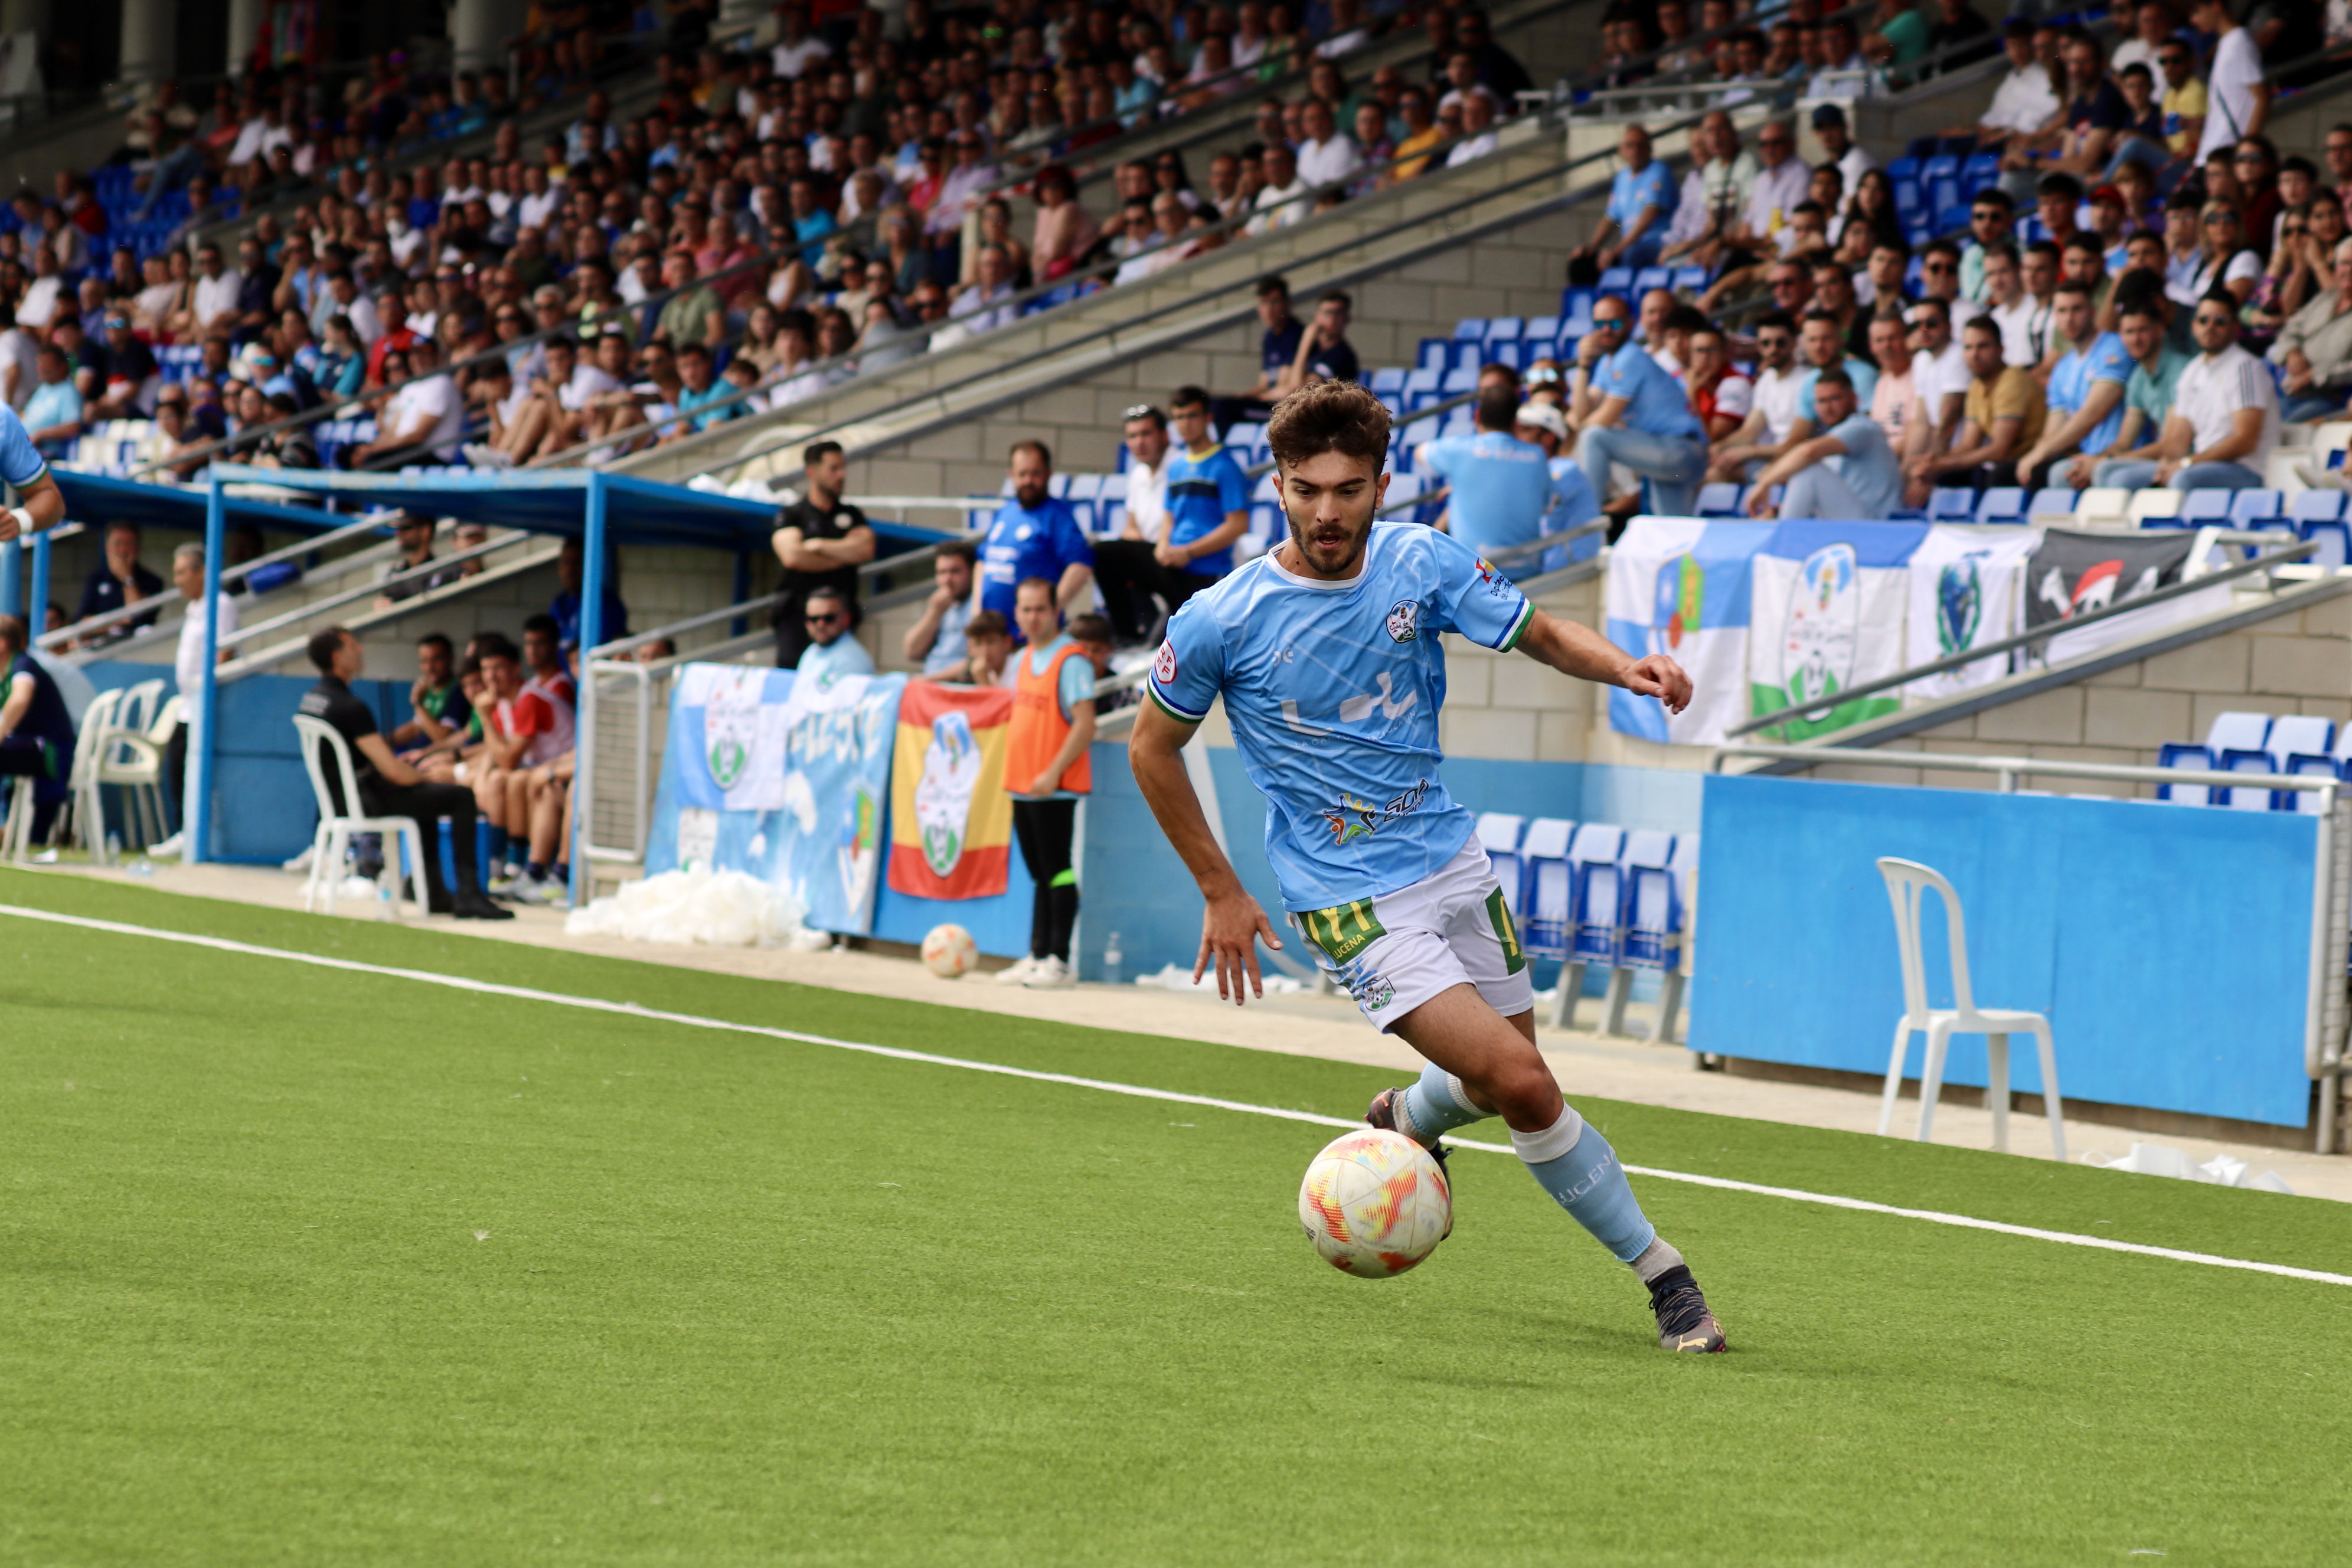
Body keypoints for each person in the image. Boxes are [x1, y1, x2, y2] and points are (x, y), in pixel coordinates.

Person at [1127, 380, 1723, 1354]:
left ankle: (1405, 1113)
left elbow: (1537, 632)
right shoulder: (1219, 618)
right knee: (1525, 1081)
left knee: (1494, 1086)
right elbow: (1149, 748)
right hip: (1348, 897)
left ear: (1380, 485)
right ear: (1276, 486)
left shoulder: (1421, 561)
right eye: (1307, 489)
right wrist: (1219, 888)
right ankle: (1668, 1281)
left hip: (1450, 860)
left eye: (1349, 489)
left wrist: (1624, 667)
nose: (1327, 511)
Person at [297, 626, 510, 920]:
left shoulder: (312, 698)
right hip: (365, 800)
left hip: (337, 800)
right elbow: (394, 771)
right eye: (352, 646)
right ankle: (469, 893)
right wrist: (428, 776)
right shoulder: (350, 706)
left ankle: (434, 891)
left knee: (425, 799)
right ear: (337, 657)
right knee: (459, 796)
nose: (360, 650)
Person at [994, 575, 1099, 991]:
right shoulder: (1021, 659)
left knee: (1057, 870)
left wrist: (1053, 771)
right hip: (1023, 784)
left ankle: (1058, 957)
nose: (1033, 617)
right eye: (1026, 609)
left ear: (1055, 610)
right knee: (1039, 872)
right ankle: (1037, 953)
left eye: (1040, 608)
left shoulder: (1069, 660)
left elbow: (1085, 723)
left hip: (1053, 786)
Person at [1093, 387, 1248, 646]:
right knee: (1105, 554)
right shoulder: (1177, 467)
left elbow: (1238, 525)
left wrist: (1188, 552)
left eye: (1192, 416)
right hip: (1174, 564)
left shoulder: (1225, 466)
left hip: (1205, 571)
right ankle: (1127, 637)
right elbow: (1169, 517)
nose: (1186, 424)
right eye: (1179, 417)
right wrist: (1163, 546)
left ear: (1208, 418)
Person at [2095, 289, 2279, 490]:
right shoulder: (2192, 370)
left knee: (2182, 479)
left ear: (2235, 326)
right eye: (2203, 320)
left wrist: (2186, 464)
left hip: (2244, 468)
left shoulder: (2245, 367)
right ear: (2193, 326)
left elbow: (2245, 442)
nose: (2210, 327)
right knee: (2108, 473)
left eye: (2220, 321)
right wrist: (2167, 465)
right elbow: (2177, 444)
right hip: (2201, 465)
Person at [1570, 296, 1710, 519]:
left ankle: (1586, 523)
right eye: (1600, 324)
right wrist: (1583, 366)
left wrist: (1579, 425)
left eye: (1615, 323)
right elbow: (1582, 413)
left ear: (1630, 323)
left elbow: (1600, 420)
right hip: (1670, 461)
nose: (1606, 330)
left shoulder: (1630, 357)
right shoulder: (1608, 363)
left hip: (1681, 452)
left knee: (1594, 437)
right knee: (1673, 531)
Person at [146, 542, 240, 856]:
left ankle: (192, 832)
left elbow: (226, 651)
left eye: (182, 572)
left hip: (204, 705)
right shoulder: (194, 608)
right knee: (177, 769)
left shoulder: (221, 604)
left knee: (189, 769)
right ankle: (183, 830)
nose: (177, 580)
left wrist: (209, 692)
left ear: (202, 572)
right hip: (188, 705)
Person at [1416, 383, 1570, 572]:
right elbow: (1547, 505)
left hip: (1475, 577)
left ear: (1477, 417)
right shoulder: (1538, 456)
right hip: (1526, 574)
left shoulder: (1460, 450)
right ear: (1516, 422)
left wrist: (1465, 482)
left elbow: (1419, 452)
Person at [2065, 287, 2190, 488]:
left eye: (2142, 330)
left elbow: (2171, 445)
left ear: (2159, 330)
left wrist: (2105, 462)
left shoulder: (2181, 370)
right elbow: (2124, 443)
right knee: (2064, 472)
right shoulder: (2137, 377)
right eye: (2129, 332)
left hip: (2185, 460)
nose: (2135, 339)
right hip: (2160, 459)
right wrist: (2093, 460)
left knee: (2110, 474)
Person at [2014, 282, 2132, 486]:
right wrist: (2036, 455)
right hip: (2086, 458)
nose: (2069, 319)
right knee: (2036, 471)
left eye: (2077, 309)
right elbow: (2054, 430)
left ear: (2093, 311)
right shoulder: (2062, 367)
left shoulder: (2115, 347)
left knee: (2057, 473)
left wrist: (2041, 452)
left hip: (2123, 455)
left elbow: (2094, 413)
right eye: (2062, 311)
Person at [771, 439, 876, 669]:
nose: (841, 475)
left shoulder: (852, 514)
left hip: (839, 620)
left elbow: (865, 549)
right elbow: (792, 557)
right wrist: (843, 554)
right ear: (812, 472)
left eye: (843, 468)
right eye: (833, 468)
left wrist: (817, 545)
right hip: (797, 618)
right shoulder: (793, 514)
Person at [1745, 369, 1903, 520]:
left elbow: (1808, 452)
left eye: (1835, 398)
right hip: (1854, 521)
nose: (1828, 407)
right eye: (1821, 401)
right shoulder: (1834, 437)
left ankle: (1786, 536)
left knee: (1809, 470)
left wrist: (1765, 483)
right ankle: (1783, 526)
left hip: (1877, 525)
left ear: (1853, 398)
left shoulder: (1862, 427)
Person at [1911, 316, 2047, 490]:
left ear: (2001, 349)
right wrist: (1935, 462)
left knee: (1992, 475)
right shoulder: (1976, 386)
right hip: (2008, 463)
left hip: (2035, 460)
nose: (1974, 355)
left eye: (1983, 346)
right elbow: (1969, 444)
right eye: (1968, 348)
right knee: (1947, 477)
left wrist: (1942, 465)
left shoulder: (2013, 380)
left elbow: (2000, 449)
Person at [975, 439, 1094, 635]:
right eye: (1022, 474)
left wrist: (1049, 613)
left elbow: (1081, 565)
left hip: (1027, 639)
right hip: (992, 637)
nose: (1028, 481)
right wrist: (977, 613)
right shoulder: (1006, 511)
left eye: (1035, 473)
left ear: (1049, 474)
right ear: (1011, 475)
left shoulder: (1057, 516)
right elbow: (982, 561)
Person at [0, 612, 76, 844]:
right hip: (29, 746)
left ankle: (10, 831)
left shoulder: (24, 666)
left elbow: (21, 699)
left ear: (3, 643)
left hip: (50, 750)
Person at [1510, 400, 1602, 572]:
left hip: (1574, 573)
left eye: (1525, 429)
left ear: (1548, 438)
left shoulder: (1566, 469)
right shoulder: (1541, 471)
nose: (1516, 437)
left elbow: (1529, 499)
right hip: (1552, 571)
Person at [2268, 238, 2352, 422]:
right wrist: (2292, 352)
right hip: (2289, 385)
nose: (2349, 270)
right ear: (2335, 267)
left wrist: (2315, 375)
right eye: (2345, 263)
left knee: (2283, 429)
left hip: (2329, 397)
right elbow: (2291, 328)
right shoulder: (2326, 298)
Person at [1575, 123, 1677, 276]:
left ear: (1650, 149)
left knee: (1631, 255)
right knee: (1581, 264)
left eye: (1641, 146)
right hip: (1630, 246)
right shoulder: (1622, 178)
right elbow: (1611, 218)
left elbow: (1649, 214)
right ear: (1621, 150)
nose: (1635, 151)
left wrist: (1618, 249)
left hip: (1657, 243)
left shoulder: (1659, 170)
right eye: (1630, 146)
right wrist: (1593, 246)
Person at [1210, 276, 1304, 430]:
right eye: (1263, 303)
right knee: (1215, 404)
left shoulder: (1295, 334)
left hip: (1284, 408)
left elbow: (1285, 387)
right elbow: (1264, 384)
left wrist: (1255, 399)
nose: (1269, 309)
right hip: (1267, 401)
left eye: (1274, 302)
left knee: (1224, 409)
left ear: (1287, 304)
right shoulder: (1269, 337)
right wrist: (1242, 397)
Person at [2192, 0, 2266, 165]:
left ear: (2216, 6)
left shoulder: (2239, 42)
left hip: (2226, 156)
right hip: (2213, 154)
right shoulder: (2227, 42)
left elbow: (2262, 96)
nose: (2194, 20)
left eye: (2197, 11)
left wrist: (2246, 151)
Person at [74, 520, 164, 646]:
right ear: (107, 547)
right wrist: (121, 621)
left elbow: (139, 618)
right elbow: (83, 623)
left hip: (137, 648)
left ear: (138, 547)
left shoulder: (152, 581)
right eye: (118, 543)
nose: (123, 550)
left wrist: (127, 578)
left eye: (129, 543)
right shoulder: (96, 579)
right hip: (100, 648)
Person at [904, 543, 979, 677]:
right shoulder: (939, 605)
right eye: (942, 572)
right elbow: (911, 652)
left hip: (956, 684)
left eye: (955, 571)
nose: (947, 580)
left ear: (971, 571)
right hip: (930, 680)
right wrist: (934, 612)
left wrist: (929, 681)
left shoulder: (978, 604)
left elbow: (976, 659)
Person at [389, 633, 473, 751]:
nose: (429, 667)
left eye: (437, 659)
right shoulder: (428, 689)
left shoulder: (458, 691)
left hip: (435, 760)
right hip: (413, 753)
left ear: (451, 658)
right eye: (424, 661)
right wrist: (384, 741)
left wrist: (418, 704)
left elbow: (442, 738)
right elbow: (415, 728)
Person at [548, 538, 629, 655]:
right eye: (566, 562)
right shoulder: (559, 602)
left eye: (577, 563)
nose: (570, 570)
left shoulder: (604, 603)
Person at [374, 512, 463, 607]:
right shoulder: (394, 573)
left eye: (406, 528)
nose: (399, 533)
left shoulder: (446, 572)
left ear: (426, 531)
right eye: (398, 529)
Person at [795, 586, 877, 682]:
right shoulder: (812, 651)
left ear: (846, 619)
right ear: (807, 622)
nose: (821, 624)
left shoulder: (851, 660)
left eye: (829, 618)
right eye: (814, 619)